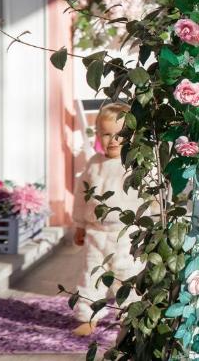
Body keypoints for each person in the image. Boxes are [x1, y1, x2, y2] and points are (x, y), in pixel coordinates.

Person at [71, 102, 142, 336]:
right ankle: (87, 317)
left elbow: (150, 199)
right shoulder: (94, 164)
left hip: (126, 234)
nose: (113, 140)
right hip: (96, 232)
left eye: (119, 134)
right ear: (98, 135)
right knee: (91, 276)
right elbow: (82, 197)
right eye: (106, 134)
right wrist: (80, 225)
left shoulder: (135, 164)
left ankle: (130, 318)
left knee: (127, 277)